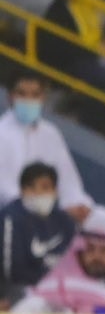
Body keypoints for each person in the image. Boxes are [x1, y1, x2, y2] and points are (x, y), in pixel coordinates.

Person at [0, 71, 93, 216]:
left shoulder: (51, 134)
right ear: (10, 96)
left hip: (47, 210)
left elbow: (68, 181)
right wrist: (32, 205)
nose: (28, 100)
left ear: (43, 97)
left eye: (35, 94)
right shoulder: (2, 133)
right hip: (11, 212)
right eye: (22, 94)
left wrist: (77, 204)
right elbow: (4, 187)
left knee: (101, 218)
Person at [1, 161, 76, 291]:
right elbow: (12, 271)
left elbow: (76, 260)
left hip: (62, 289)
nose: (40, 193)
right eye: (33, 188)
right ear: (24, 190)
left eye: (48, 188)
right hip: (18, 289)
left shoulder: (65, 220)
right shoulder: (10, 218)